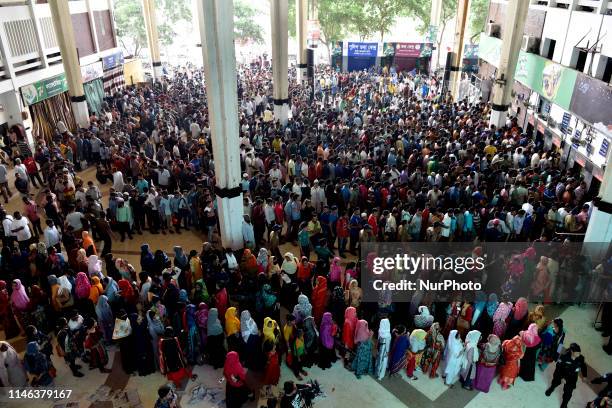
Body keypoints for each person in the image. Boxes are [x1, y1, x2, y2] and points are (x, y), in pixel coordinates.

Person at [545, 343, 587, 408]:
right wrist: (562, 378)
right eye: (577, 353)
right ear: (572, 352)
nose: (579, 354)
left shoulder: (581, 358)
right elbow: (558, 368)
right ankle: (551, 388)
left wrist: (584, 376)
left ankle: (564, 404)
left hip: (572, 377)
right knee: (555, 382)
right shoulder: (564, 357)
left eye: (579, 353)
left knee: (568, 393)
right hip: (561, 374)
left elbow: (584, 367)